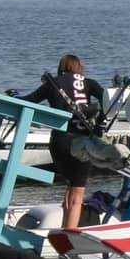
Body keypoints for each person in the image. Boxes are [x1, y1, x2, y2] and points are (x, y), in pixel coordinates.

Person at [25, 53, 106, 231]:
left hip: (59, 142)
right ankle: (69, 236)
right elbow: (108, 101)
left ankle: (64, 229)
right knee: (77, 194)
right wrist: (99, 125)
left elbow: (29, 100)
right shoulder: (89, 83)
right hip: (82, 142)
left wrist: (14, 96)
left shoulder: (52, 83)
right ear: (79, 68)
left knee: (70, 188)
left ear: (61, 68)